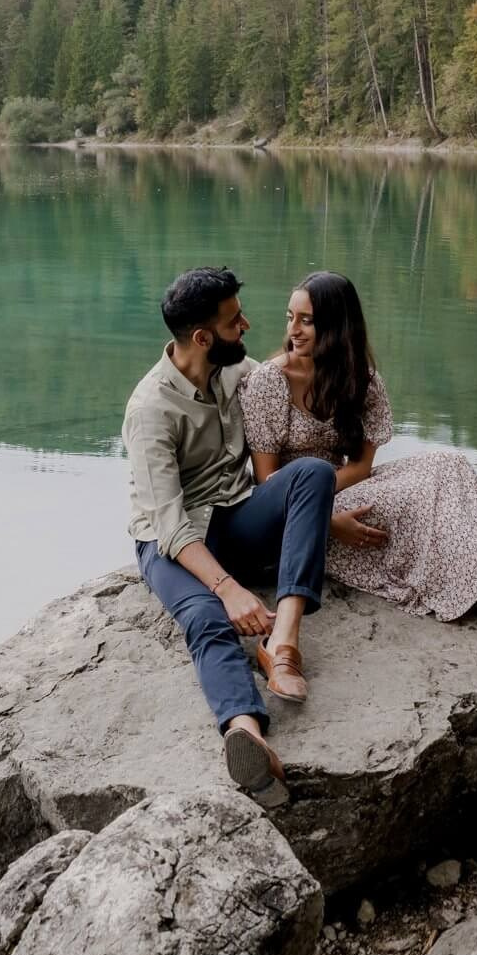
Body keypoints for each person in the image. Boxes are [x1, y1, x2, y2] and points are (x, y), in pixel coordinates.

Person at [239, 271, 477, 626]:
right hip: (302, 514)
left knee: (448, 463)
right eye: (291, 318)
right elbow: (269, 481)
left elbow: (362, 467)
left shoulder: (361, 380)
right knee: (423, 501)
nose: (293, 330)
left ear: (337, 327)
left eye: (307, 321)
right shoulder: (271, 382)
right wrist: (323, 518)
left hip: (347, 486)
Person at [123, 267, 336, 808]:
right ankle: (247, 734)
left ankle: (283, 640)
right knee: (206, 619)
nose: (247, 324)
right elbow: (169, 526)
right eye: (234, 320)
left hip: (235, 516)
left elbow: (301, 389)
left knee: (312, 473)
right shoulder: (150, 410)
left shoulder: (238, 370)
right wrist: (229, 589)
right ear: (202, 338)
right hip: (173, 544)